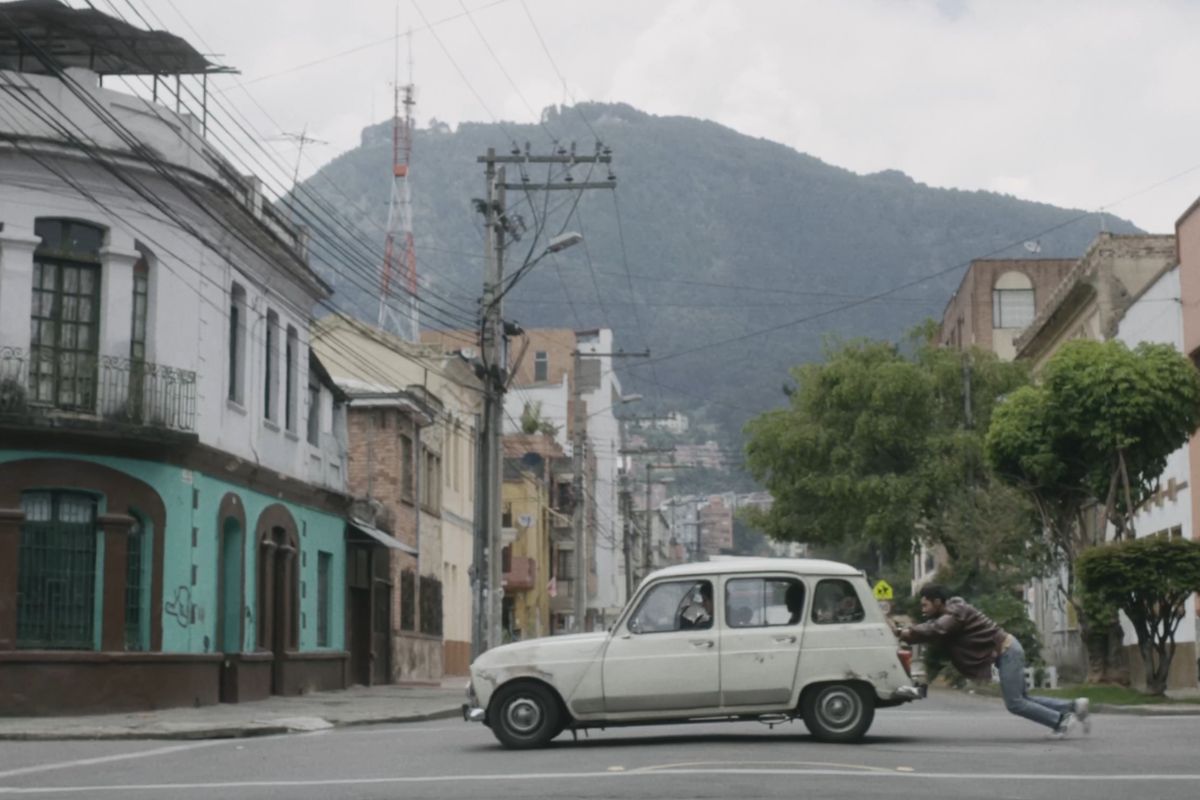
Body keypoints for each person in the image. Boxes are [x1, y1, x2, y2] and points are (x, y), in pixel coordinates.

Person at [898, 584, 1090, 738]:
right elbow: (932, 628)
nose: (923, 609)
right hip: (1008, 650)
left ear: (938, 602)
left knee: (1015, 703)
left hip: (1007, 651)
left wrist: (905, 633)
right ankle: (1074, 706)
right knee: (1023, 699)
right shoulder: (951, 613)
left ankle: (1060, 721)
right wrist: (907, 633)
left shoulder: (955, 613)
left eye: (925, 605)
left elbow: (935, 629)